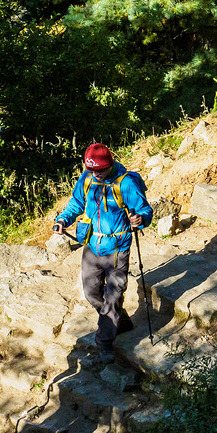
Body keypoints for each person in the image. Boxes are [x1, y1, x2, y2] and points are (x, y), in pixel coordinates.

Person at [54, 143, 153, 364]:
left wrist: (140, 219)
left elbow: (145, 209)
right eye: (92, 170)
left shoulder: (126, 183)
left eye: (100, 171)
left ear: (109, 165)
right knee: (91, 293)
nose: (96, 175)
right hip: (91, 245)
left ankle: (105, 341)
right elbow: (77, 203)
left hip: (118, 248)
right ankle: (120, 319)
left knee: (113, 294)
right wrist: (63, 219)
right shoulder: (87, 179)